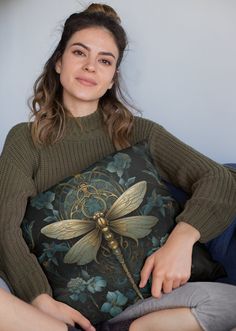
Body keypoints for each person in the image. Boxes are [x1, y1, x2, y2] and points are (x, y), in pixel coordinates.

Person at [0, 3, 236, 331]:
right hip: (57, 310)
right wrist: (39, 298)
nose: (90, 67)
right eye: (79, 52)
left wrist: (180, 241)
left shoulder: (140, 133)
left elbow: (220, 179)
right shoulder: (24, 139)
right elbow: (4, 227)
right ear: (59, 62)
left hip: (149, 299)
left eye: (105, 60)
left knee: (228, 302)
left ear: (112, 78)